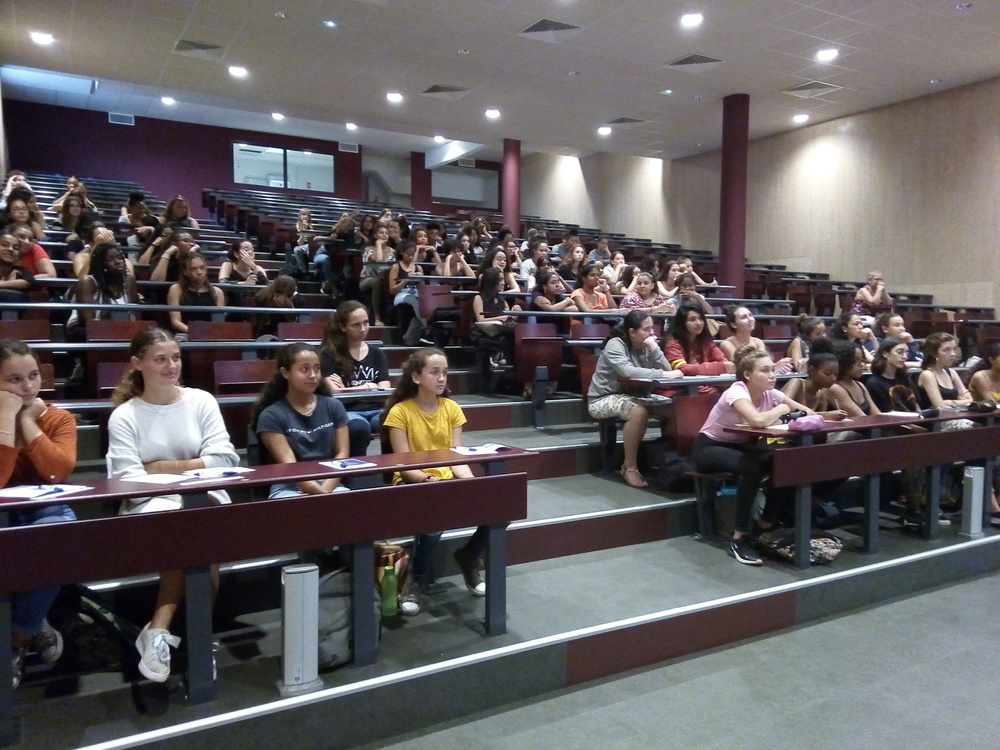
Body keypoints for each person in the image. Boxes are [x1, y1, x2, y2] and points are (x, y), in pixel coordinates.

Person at [106, 328, 239, 682]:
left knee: (200, 520)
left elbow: (225, 458)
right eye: (160, 359)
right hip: (150, 503)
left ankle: (160, 630)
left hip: (204, 497)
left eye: (176, 358)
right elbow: (129, 480)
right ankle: (197, 639)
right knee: (193, 530)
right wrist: (194, 467)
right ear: (137, 364)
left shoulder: (201, 401)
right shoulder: (125, 416)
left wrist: (163, 467)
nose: (171, 366)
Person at [381, 348, 490, 615]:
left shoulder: (451, 408)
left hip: (445, 480)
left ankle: (469, 556)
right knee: (435, 512)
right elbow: (403, 464)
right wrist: (428, 479)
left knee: (499, 503)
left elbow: (456, 456)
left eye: (444, 372)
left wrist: (471, 485)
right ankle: (416, 578)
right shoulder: (399, 412)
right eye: (434, 372)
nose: (442, 378)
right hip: (411, 481)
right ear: (416, 377)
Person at [690, 346, 820, 565]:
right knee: (752, 467)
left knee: (786, 461)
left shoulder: (771, 393)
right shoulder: (737, 391)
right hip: (707, 448)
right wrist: (782, 410)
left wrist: (788, 412)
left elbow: (807, 412)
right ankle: (739, 538)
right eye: (765, 370)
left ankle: (765, 525)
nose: (772, 375)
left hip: (738, 447)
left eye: (773, 370)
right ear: (748, 375)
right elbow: (757, 421)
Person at [0, 340, 76, 689]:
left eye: (33, 376)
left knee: (59, 532)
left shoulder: (58, 418)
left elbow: (56, 472)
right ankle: (37, 622)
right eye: (14, 380)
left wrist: (28, 421)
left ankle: (17, 639)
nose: (28, 386)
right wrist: (6, 418)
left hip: (43, 507)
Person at [587, 311, 682, 488]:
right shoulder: (616, 344)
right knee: (638, 411)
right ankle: (629, 467)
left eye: (652, 328)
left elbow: (668, 369)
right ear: (632, 332)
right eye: (646, 329)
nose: (652, 333)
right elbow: (628, 372)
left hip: (638, 396)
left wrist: (655, 350)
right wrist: (663, 374)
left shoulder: (647, 346)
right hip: (602, 398)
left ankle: (658, 454)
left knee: (677, 411)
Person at [252, 343, 350, 497]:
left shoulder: (334, 406)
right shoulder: (271, 415)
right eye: (305, 369)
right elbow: (289, 464)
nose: (313, 375)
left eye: (317, 369)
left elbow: (342, 454)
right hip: (288, 485)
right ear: (285, 373)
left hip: (330, 483)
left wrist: (324, 491)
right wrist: (318, 494)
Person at [319, 302, 390, 457]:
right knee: (359, 429)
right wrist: (368, 386)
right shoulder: (329, 354)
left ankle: (394, 467)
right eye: (356, 325)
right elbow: (335, 392)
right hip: (347, 410)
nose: (363, 329)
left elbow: (384, 389)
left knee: (395, 423)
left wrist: (348, 389)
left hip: (376, 408)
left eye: (366, 323)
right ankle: (357, 469)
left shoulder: (377, 354)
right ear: (343, 327)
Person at [67, 242, 138, 338]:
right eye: (110, 259)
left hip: (119, 327)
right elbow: (87, 320)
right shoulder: (88, 282)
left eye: (120, 257)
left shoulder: (129, 280)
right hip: (85, 329)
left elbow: (134, 313)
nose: (117, 261)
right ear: (101, 264)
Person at [166, 251, 224, 337]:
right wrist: (195, 333)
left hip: (210, 335)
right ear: (185, 272)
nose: (199, 272)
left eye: (202, 267)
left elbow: (218, 323)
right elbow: (175, 322)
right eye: (193, 269)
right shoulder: (176, 289)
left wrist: (208, 334)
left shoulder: (217, 292)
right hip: (184, 334)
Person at [719, 305, 793, 372]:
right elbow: (743, 366)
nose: (750, 319)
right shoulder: (727, 344)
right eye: (744, 317)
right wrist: (774, 366)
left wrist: (778, 364)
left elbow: (763, 362)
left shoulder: (758, 342)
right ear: (733, 324)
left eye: (750, 315)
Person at [472, 267, 520, 368]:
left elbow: (508, 318)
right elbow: (480, 320)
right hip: (483, 333)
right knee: (506, 340)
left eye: (503, 280)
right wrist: (499, 318)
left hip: (500, 331)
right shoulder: (479, 298)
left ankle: (512, 365)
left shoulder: (502, 301)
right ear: (491, 281)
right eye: (500, 280)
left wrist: (514, 314)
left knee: (516, 336)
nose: (503, 283)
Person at [916, 332, 973, 410]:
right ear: (934, 353)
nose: (953, 354)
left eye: (954, 349)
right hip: (937, 417)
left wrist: (949, 402)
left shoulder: (951, 372)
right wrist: (960, 401)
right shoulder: (928, 374)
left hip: (956, 414)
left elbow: (970, 400)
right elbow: (940, 406)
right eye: (947, 350)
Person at [388, 240, 427, 346]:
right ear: (402, 252)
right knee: (414, 300)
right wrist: (406, 280)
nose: (410, 257)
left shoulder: (418, 268)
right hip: (401, 294)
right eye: (408, 254)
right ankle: (428, 327)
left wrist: (420, 279)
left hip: (416, 292)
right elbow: (392, 290)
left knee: (423, 300)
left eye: (412, 255)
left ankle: (408, 337)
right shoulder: (396, 267)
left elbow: (423, 289)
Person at [828, 340, 882, 417]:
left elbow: (878, 415)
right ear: (843, 361)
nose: (862, 364)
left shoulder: (860, 385)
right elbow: (861, 418)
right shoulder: (834, 388)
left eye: (862, 360)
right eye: (856, 360)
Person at [781, 344, 839, 411]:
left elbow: (821, 417)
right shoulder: (796, 383)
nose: (833, 378)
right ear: (812, 371)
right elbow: (783, 407)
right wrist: (825, 415)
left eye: (836, 374)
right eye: (827, 373)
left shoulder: (822, 395)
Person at [358, 225, 393, 326]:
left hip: (385, 280)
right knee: (376, 282)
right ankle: (377, 317)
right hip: (366, 279)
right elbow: (378, 259)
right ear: (375, 235)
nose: (384, 235)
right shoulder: (369, 249)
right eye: (381, 233)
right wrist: (378, 245)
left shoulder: (393, 251)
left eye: (386, 233)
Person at [249, 275, 299, 340]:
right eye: (278, 292)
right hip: (265, 333)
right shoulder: (261, 298)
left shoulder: (297, 300)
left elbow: (295, 324)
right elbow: (263, 325)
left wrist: (288, 306)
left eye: (289, 295)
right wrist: (276, 307)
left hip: (288, 335)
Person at [219, 240, 267, 305]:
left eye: (252, 250)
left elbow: (268, 287)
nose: (250, 252)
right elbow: (223, 284)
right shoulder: (228, 265)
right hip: (232, 305)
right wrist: (244, 283)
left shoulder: (258, 268)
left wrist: (253, 266)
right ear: (236, 254)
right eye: (246, 250)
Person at [0, 232, 35, 300]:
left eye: (15, 248)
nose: (10, 249)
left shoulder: (21, 270)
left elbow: (28, 282)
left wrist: (3, 283)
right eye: (4, 245)